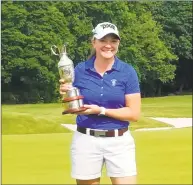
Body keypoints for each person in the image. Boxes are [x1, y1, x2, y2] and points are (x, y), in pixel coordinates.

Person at [60, 22, 141, 185]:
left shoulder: (127, 71)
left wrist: (101, 110)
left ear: (118, 43)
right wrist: (65, 93)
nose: (108, 45)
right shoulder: (79, 70)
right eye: (103, 40)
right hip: (86, 140)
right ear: (94, 42)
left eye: (113, 41)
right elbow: (72, 104)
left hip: (119, 141)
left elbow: (134, 114)